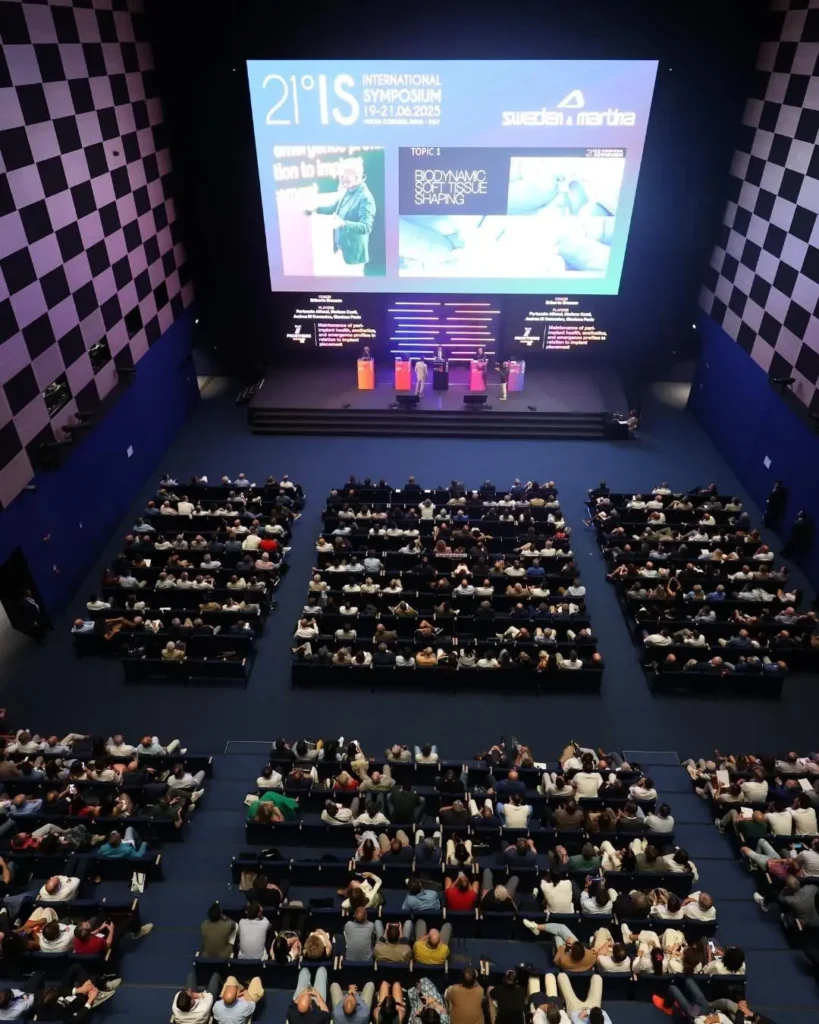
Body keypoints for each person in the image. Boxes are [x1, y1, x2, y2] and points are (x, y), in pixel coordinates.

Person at [305, 156, 376, 276]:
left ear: (355, 176)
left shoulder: (366, 198)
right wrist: (315, 209)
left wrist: (343, 223)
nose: (341, 179)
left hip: (353, 256)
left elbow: (366, 227)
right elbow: (333, 207)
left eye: (343, 176)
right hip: (341, 251)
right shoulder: (349, 191)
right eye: (341, 176)